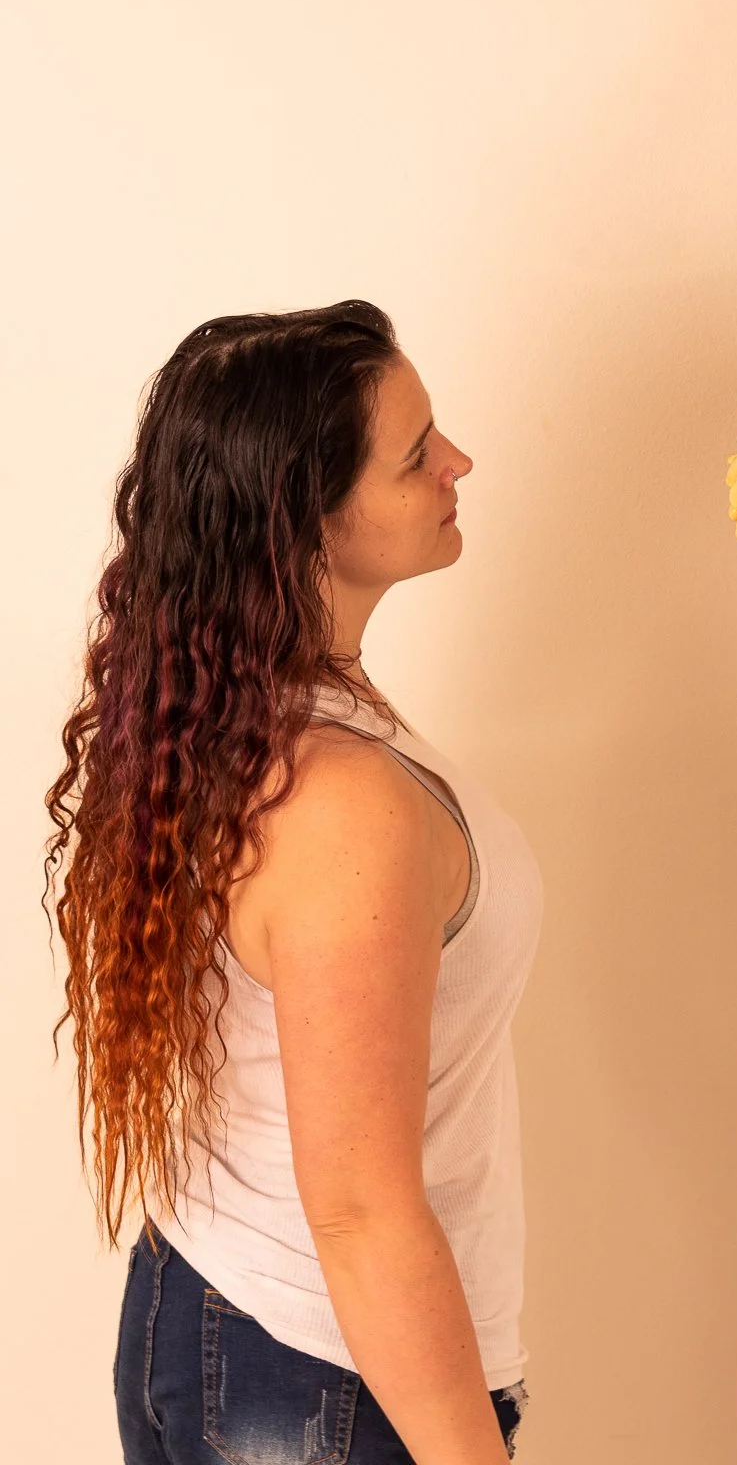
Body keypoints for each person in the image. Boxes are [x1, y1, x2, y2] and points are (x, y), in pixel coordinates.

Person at [44, 301, 544, 1464]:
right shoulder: (340, 799)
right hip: (323, 1371)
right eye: (417, 453)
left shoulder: (223, 714)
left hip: (219, 1313)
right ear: (305, 519)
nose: (458, 462)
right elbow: (360, 1209)